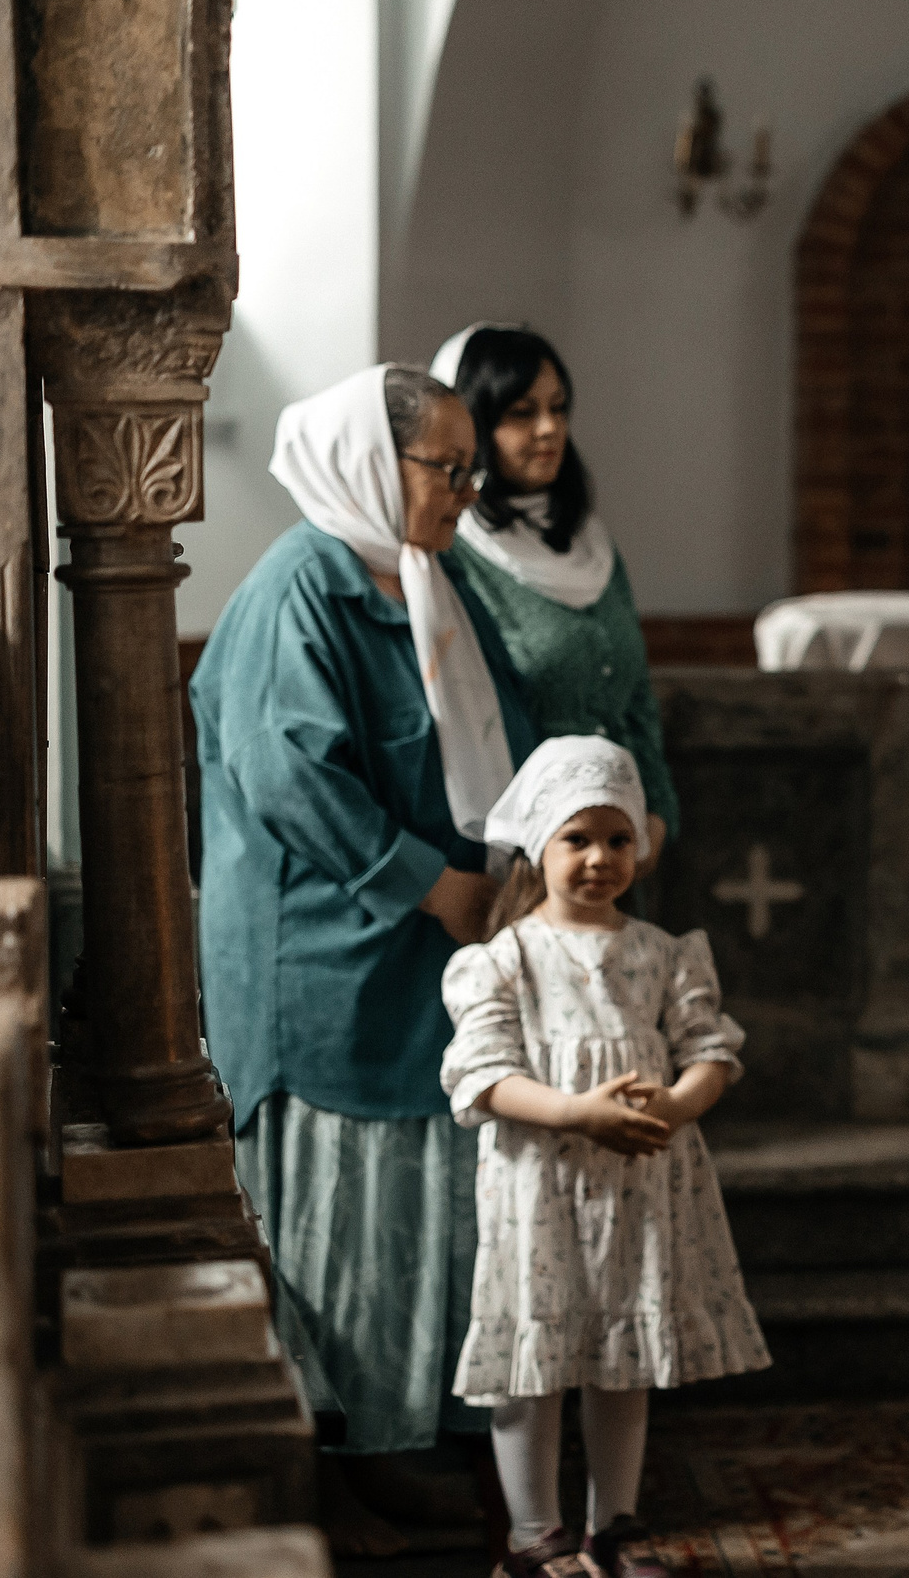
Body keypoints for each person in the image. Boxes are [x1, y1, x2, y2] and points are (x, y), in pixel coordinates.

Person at [193, 363, 537, 1557]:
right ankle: (349, 1451)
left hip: (426, 968)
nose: (463, 487)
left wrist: (530, 850)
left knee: (419, 1212)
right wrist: (433, 884)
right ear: (366, 463)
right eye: (445, 466)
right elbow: (292, 775)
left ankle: (412, 1428)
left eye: (464, 468)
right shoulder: (304, 587)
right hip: (327, 968)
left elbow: (503, 734)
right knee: (345, 1221)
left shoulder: (434, 583)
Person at [441, 735, 768, 1578]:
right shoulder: (503, 959)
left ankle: (613, 1524)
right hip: (541, 1183)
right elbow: (484, 1075)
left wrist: (678, 1102)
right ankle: (533, 1536)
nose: (599, 858)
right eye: (576, 838)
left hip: (640, 1184)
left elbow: (710, 1049)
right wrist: (578, 1112)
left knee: (623, 1352)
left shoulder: (663, 951)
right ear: (539, 845)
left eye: (617, 839)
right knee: (534, 1353)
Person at [432, 323, 678, 866]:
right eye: (522, 412)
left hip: (613, 846)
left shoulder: (590, 543)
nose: (549, 428)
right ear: (474, 423)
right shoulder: (450, 551)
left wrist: (656, 815)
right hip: (521, 849)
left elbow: (634, 697)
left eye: (559, 407)